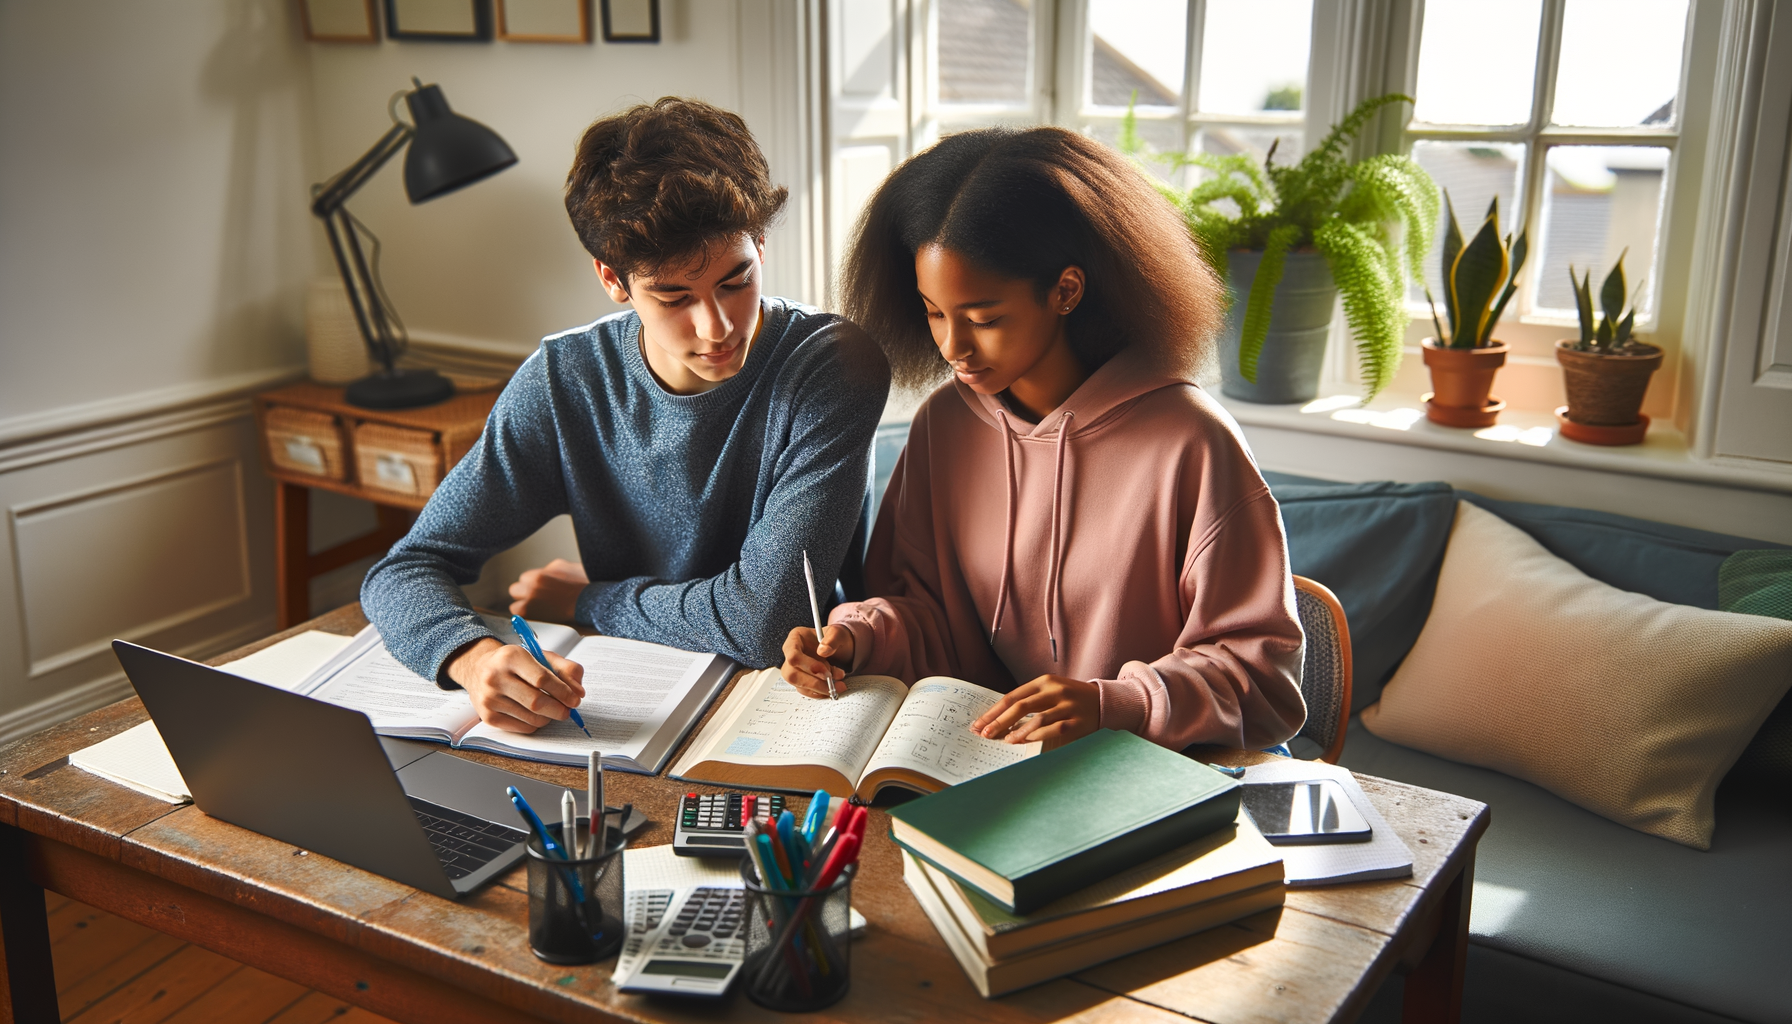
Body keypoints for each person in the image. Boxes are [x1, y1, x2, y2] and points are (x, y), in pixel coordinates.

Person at [363, 97, 889, 733]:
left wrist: (587, 598)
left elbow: (762, 625)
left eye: (735, 280)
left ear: (761, 242)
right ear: (613, 279)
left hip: (798, 702)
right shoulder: (565, 382)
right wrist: (471, 660)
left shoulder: (831, 365)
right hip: (626, 700)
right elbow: (404, 570)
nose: (717, 327)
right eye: (674, 297)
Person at [779, 126, 1305, 752]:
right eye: (934, 312)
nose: (953, 347)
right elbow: (922, 615)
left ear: (1066, 291)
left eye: (984, 318)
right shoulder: (944, 424)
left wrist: (1117, 704)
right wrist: (857, 636)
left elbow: (1261, 679)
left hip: (1146, 776)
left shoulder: (1192, 442)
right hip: (978, 762)